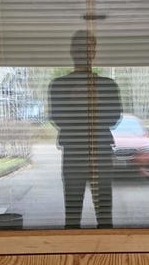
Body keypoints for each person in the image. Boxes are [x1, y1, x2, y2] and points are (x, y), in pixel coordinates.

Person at [49, 30, 122, 228]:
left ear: (95, 52)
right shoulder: (59, 85)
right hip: (73, 154)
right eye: (81, 47)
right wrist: (75, 101)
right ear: (72, 51)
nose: (85, 52)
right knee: (72, 215)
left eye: (90, 48)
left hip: (101, 153)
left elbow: (114, 118)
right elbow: (57, 118)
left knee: (105, 216)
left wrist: (94, 101)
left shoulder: (108, 85)